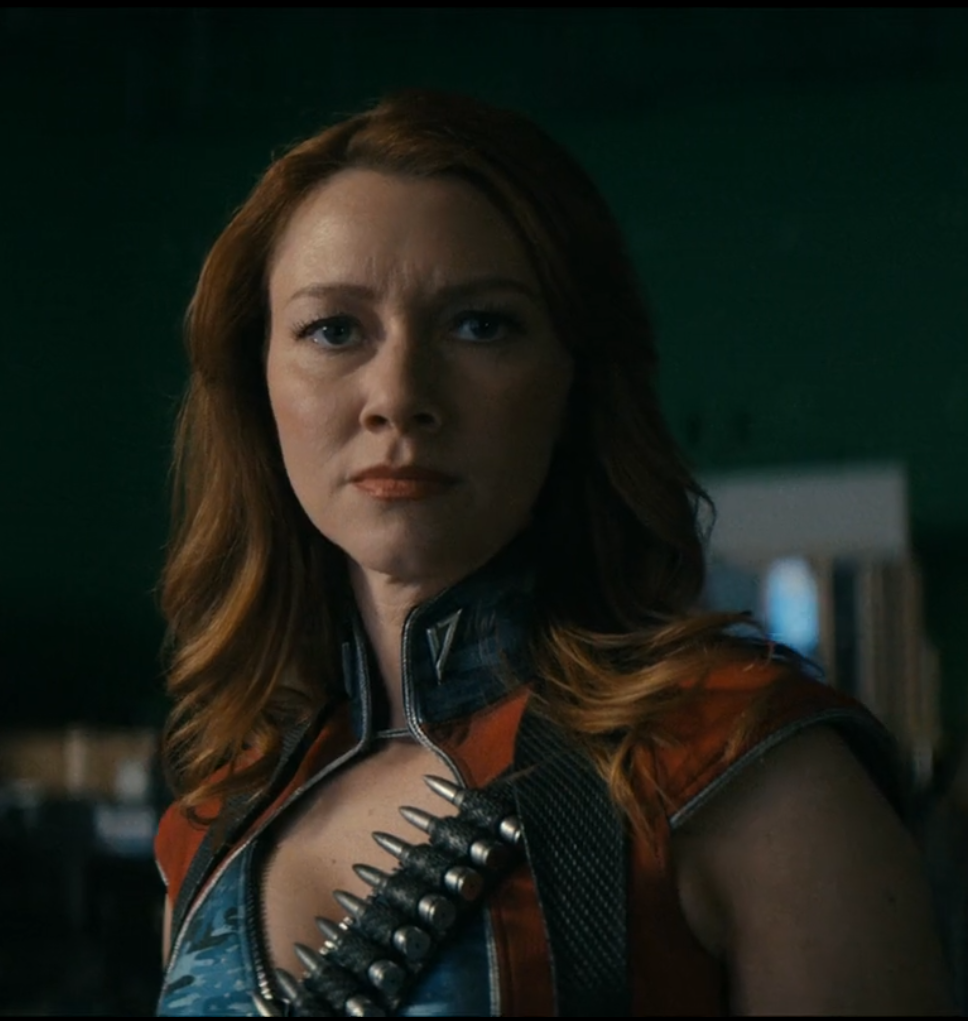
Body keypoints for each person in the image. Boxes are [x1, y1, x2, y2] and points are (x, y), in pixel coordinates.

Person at [154, 90, 951, 1016]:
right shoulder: (211, 829)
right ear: (258, 383)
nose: (398, 395)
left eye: (480, 323)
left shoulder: (747, 771)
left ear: (577, 377)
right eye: (334, 329)